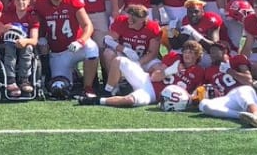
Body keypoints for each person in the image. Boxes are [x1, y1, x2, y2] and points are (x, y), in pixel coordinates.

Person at [77, 40, 205, 107]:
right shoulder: (174, 58)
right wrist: (170, 70)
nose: (188, 55)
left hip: (152, 94)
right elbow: (155, 77)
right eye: (186, 51)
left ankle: (98, 100)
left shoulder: (199, 72)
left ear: (198, 56)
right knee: (119, 61)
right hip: (146, 80)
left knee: (129, 100)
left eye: (192, 52)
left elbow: (194, 94)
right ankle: (108, 91)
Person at [34, 0, 99, 97]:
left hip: (74, 47)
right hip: (58, 52)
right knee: (60, 86)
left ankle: (88, 88)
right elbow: (37, 24)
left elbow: (87, 25)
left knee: (92, 48)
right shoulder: (40, 4)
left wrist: (80, 41)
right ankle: (74, 75)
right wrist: (41, 38)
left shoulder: (72, 0)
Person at [198, 42, 257, 128]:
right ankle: (242, 116)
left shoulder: (236, 60)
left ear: (224, 51)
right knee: (204, 104)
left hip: (243, 91)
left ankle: (256, 115)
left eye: (214, 51)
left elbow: (248, 80)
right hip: (228, 99)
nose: (211, 55)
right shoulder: (209, 70)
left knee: (242, 90)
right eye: (210, 52)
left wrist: (230, 71)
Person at [0, 0, 40, 97]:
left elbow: (34, 40)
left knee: (28, 48)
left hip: (23, 44)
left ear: (28, 2)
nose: (20, 2)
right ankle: (10, 80)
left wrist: (25, 41)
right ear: (14, 2)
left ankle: (24, 79)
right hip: (7, 44)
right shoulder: (6, 16)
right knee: (10, 47)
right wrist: (2, 30)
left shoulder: (32, 17)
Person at [102, 5, 161, 74]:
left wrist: (138, 63)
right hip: (124, 56)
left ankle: (146, 83)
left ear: (142, 20)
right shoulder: (122, 21)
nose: (129, 20)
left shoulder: (152, 28)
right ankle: (118, 83)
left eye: (133, 18)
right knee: (108, 53)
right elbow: (107, 40)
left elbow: (153, 53)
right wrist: (125, 49)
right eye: (129, 17)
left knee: (158, 68)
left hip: (143, 58)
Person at [170, 0, 221, 66]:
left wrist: (194, 33)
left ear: (202, 11)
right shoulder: (186, 20)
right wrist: (171, 32)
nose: (193, 14)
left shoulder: (210, 20)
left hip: (215, 51)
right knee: (174, 53)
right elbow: (178, 46)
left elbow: (214, 47)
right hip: (198, 50)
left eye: (196, 12)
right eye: (190, 12)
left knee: (213, 56)